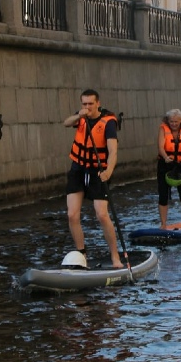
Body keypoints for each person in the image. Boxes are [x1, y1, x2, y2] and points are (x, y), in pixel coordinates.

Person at [64, 89, 122, 269]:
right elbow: (66, 123)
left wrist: (109, 170)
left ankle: (115, 257)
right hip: (78, 168)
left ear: (98, 103)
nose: (87, 107)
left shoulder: (108, 122)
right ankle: (82, 256)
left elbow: (113, 151)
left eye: (90, 104)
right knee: (72, 214)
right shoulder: (80, 117)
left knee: (101, 214)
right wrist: (78, 116)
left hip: (98, 171)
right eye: (84, 104)